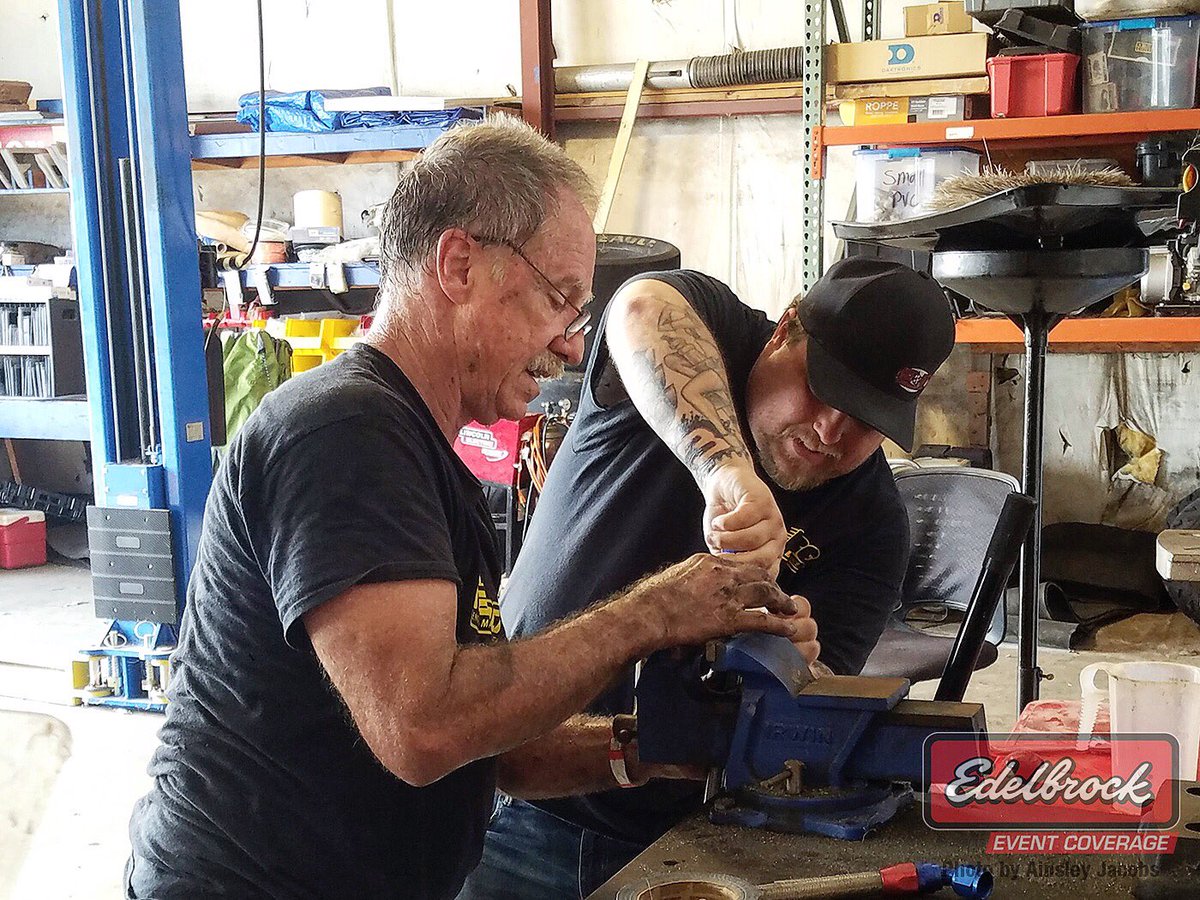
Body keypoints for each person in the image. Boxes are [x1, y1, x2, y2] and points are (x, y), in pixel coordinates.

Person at [123, 117, 819, 900]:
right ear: (459, 264)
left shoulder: (419, 458)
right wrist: (656, 611)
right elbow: (422, 728)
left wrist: (656, 744)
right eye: (560, 301)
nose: (568, 347)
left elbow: (497, 752)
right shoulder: (346, 431)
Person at [461, 256, 957, 899]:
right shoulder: (714, 333)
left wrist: (793, 665)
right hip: (517, 803)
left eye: (869, 419)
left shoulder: (872, 528)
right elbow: (640, 308)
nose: (831, 430)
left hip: (689, 840)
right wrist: (724, 470)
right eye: (824, 388)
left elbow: (799, 730)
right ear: (785, 331)